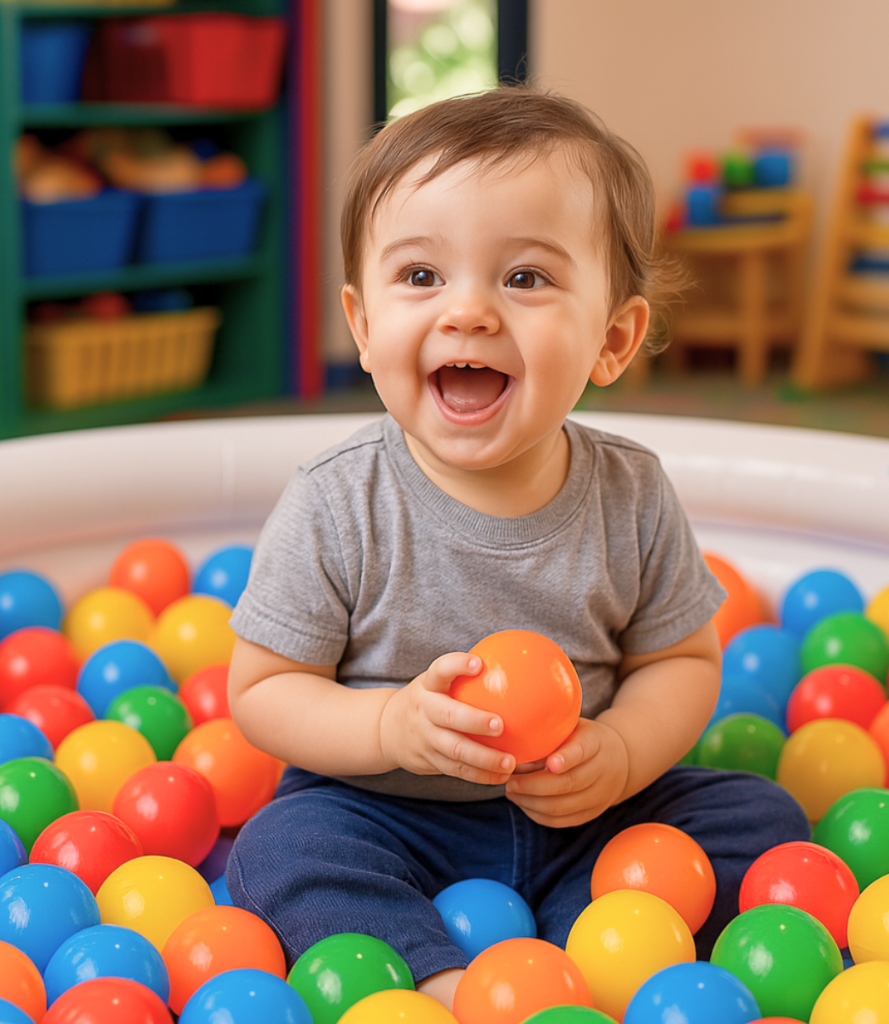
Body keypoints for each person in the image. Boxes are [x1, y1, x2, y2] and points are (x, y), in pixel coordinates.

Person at [225, 85, 809, 1011]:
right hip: (388, 813)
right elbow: (260, 690)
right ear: (364, 325)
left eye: (525, 278)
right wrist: (388, 730)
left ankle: (592, 945)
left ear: (612, 338)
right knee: (282, 846)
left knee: (762, 816)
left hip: (587, 816)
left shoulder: (631, 490)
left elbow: (683, 661)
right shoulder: (337, 500)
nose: (468, 313)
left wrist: (617, 753)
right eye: (421, 277)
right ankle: (440, 977)